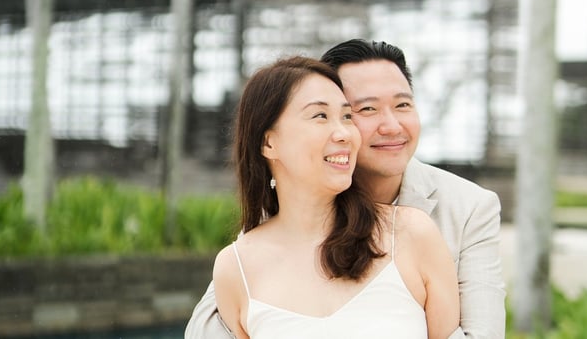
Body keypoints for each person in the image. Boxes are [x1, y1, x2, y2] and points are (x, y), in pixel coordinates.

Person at [185, 41, 505, 338]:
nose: (391, 126)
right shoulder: (250, 250)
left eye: (403, 104)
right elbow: (207, 327)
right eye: (365, 110)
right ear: (268, 142)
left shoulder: (448, 216)